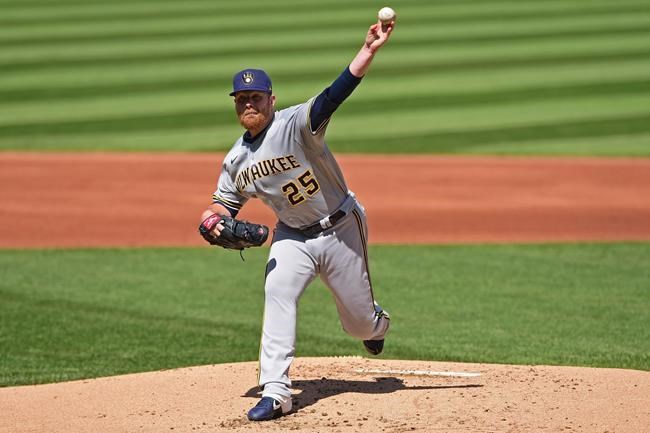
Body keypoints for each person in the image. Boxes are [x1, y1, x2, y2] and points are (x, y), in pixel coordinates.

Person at [199, 16, 395, 422]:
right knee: (277, 291)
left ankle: (376, 326)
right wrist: (211, 221)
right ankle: (277, 392)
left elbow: (332, 96)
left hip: (341, 227)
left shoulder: (296, 125)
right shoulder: (236, 159)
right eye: (241, 98)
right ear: (235, 105)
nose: (249, 104)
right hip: (292, 236)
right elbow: (224, 204)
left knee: (359, 325)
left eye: (256, 97)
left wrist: (368, 51)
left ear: (271, 99)